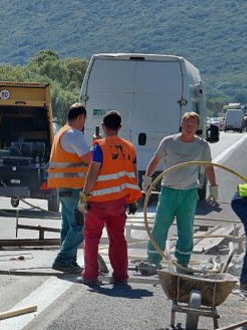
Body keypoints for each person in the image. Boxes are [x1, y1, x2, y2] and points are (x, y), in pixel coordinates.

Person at [136, 112, 218, 275]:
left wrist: (214, 187)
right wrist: (146, 179)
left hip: (188, 193)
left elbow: (208, 167)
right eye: (186, 123)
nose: (188, 126)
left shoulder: (202, 146)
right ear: (181, 124)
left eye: (192, 124)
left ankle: (182, 262)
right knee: (160, 226)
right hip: (169, 191)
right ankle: (153, 260)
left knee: (186, 229)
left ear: (197, 127)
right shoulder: (169, 142)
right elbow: (156, 159)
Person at [79, 110, 142, 286]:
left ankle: (90, 275)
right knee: (118, 239)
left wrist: (84, 196)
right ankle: (121, 275)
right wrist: (132, 199)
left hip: (97, 203)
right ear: (120, 127)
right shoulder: (130, 148)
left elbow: (92, 173)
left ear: (103, 127)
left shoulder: (99, 146)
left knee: (91, 238)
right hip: (119, 202)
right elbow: (133, 174)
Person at [47, 103, 92, 273]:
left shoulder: (61, 132)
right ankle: (63, 260)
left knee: (67, 225)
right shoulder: (74, 134)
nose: (84, 124)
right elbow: (88, 159)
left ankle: (69, 260)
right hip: (73, 187)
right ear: (80, 117)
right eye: (84, 120)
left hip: (63, 186)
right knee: (79, 226)